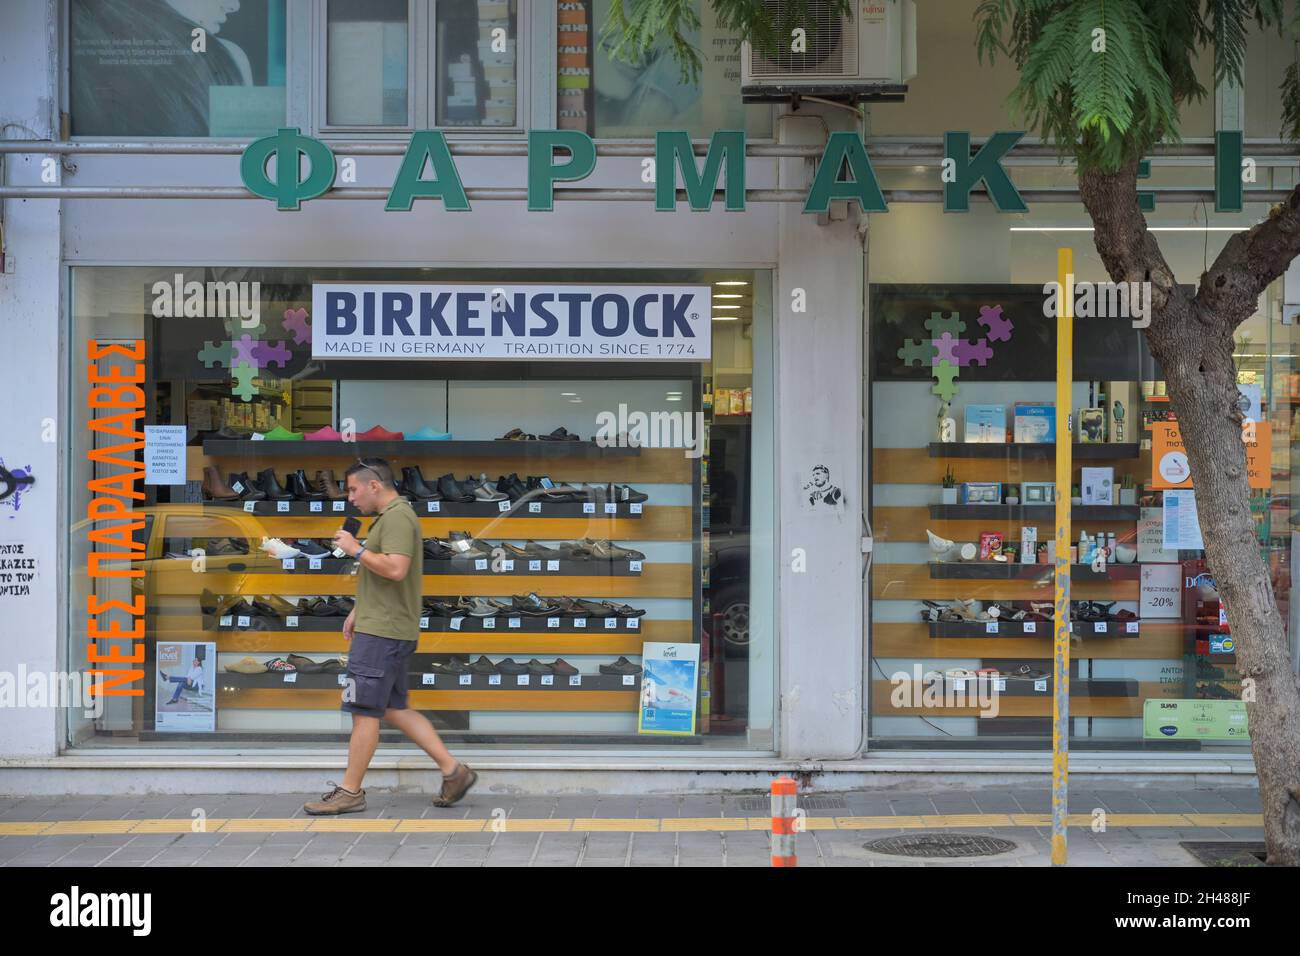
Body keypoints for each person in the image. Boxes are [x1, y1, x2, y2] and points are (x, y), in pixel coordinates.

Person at [304, 457, 476, 815]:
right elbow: (383, 577)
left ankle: (350, 791)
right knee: (395, 709)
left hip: (382, 633)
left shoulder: (397, 516)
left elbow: (396, 569)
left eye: (353, 489)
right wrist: (359, 608)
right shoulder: (392, 516)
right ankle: (453, 771)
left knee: (364, 711)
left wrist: (356, 549)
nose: (350, 498)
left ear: (374, 485)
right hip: (384, 624)